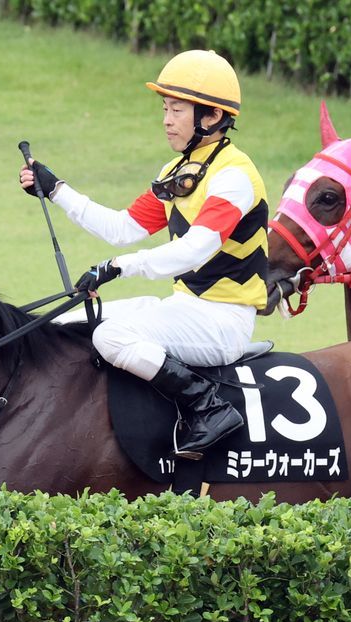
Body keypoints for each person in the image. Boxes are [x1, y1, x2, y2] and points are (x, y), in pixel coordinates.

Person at [19, 49, 269, 459]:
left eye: (177, 110)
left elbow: (194, 250)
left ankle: (207, 406)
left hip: (224, 322)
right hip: (186, 309)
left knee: (110, 336)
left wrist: (120, 267)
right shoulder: (177, 171)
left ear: (211, 117)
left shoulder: (234, 176)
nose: (167, 120)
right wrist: (56, 189)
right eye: (165, 108)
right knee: (64, 324)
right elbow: (121, 229)